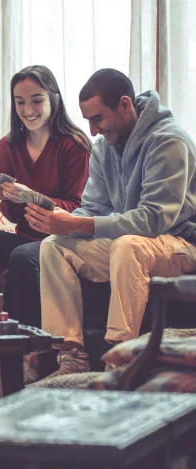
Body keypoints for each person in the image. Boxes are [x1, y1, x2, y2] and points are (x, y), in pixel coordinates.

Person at [26, 68, 196, 377]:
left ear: (124, 105)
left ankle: (121, 357)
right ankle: (72, 355)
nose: (92, 131)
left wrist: (80, 225)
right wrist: (60, 222)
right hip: (131, 245)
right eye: (88, 120)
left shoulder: (169, 142)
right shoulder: (103, 149)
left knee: (128, 245)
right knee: (54, 246)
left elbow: (154, 219)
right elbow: (93, 208)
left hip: (180, 244)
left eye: (98, 119)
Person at [0, 65, 91, 327]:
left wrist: (30, 196)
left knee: (21, 256)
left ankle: (28, 347)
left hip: (61, 241)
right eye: (20, 102)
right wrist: (5, 199)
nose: (28, 110)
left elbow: (78, 207)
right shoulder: (7, 145)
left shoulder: (74, 144)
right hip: (25, 236)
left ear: (54, 98)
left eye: (37, 100)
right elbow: (12, 215)